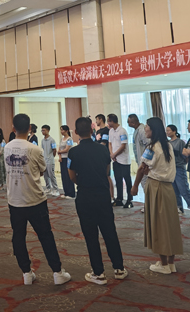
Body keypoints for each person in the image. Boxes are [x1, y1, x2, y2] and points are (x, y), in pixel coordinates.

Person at [5, 113, 71, 286]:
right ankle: (57, 272)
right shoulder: (35, 149)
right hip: (35, 200)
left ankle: (26, 273)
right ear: (29, 128)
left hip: (14, 200)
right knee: (46, 236)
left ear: (13, 128)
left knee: (18, 237)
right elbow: (42, 171)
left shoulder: (7, 147)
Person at [68, 117, 128, 285]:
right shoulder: (103, 149)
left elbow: (72, 176)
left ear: (76, 132)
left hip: (85, 196)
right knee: (110, 232)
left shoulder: (73, 152)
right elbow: (107, 171)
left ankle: (98, 273)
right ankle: (119, 268)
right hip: (102, 195)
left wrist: (83, 183)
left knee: (91, 235)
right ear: (92, 130)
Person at [131, 117, 183, 275]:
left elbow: (142, 168)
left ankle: (164, 264)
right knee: (170, 224)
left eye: (147, 127)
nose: (145, 129)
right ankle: (171, 263)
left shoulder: (152, 147)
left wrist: (135, 186)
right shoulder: (167, 145)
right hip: (168, 188)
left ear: (153, 129)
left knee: (158, 224)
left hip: (156, 187)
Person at [166, 125, 190, 216]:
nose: (167, 132)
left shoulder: (180, 142)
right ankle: (179, 207)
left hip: (179, 167)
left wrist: (183, 163)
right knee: (174, 189)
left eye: (169, 130)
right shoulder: (167, 143)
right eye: (166, 131)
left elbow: (185, 155)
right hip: (171, 168)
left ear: (174, 131)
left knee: (183, 189)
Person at [107, 114, 133, 208]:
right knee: (118, 179)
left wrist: (115, 154)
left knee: (127, 179)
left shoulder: (122, 131)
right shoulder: (111, 131)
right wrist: (112, 154)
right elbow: (110, 143)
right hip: (115, 159)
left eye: (108, 121)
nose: (107, 123)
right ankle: (119, 199)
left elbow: (123, 145)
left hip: (124, 160)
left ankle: (129, 199)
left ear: (112, 121)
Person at [57, 125, 76, 199]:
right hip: (62, 159)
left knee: (68, 175)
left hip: (67, 158)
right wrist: (59, 156)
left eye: (62, 130)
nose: (61, 131)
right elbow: (59, 148)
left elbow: (67, 149)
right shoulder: (61, 139)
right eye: (61, 130)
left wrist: (60, 152)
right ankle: (66, 192)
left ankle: (71, 193)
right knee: (64, 176)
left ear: (66, 131)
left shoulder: (69, 139)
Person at [40, 125, 59, 196]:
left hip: (50, 160)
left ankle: (55, 189)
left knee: (51, 175)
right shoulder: (42, 140)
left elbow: (54, 150)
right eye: (42, 130)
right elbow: (43, 149)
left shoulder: (52, 140)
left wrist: (51, 157)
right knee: (45, 175)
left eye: (44, 130)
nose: (43, 132)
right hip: (44, 160)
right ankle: (48, 188)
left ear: (48, 130)